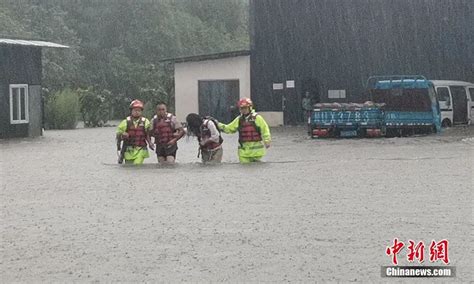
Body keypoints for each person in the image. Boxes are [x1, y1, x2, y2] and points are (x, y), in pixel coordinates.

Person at [218, 98, 271, 163]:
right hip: (243, 153)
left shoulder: (257, 118)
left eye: (245, 108)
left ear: (250, 107)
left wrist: (267, 140)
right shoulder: (239, 119)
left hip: (257, 153)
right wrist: (218, 124)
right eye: (241, 108)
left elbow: (265, 129)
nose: (243, 110)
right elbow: (229, 128)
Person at [116, 99, 154, 165]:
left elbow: (147, 135)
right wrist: (122, 135)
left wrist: (150, 143)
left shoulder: (145, 121)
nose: (137, 112)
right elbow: (118, 135)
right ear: (131, 111)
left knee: (137, 165)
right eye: (135, 110)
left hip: (140, 149)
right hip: (128, 150)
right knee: (129, 168)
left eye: (139, 110)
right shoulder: (125, 122)